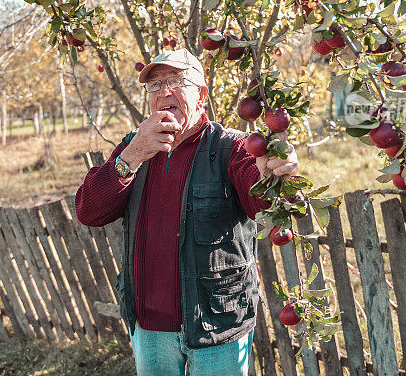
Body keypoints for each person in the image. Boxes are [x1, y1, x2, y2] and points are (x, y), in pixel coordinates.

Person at [75, 48, 300, 376]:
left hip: (218, 325)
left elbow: (264, 207)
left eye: (177, 81)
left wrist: (275, 174)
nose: (164, 91)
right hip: (150, 329)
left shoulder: (231, 147)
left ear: (202, 95)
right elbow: (88, 211)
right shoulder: (135, 145)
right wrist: (133, 154)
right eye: (154, 86)